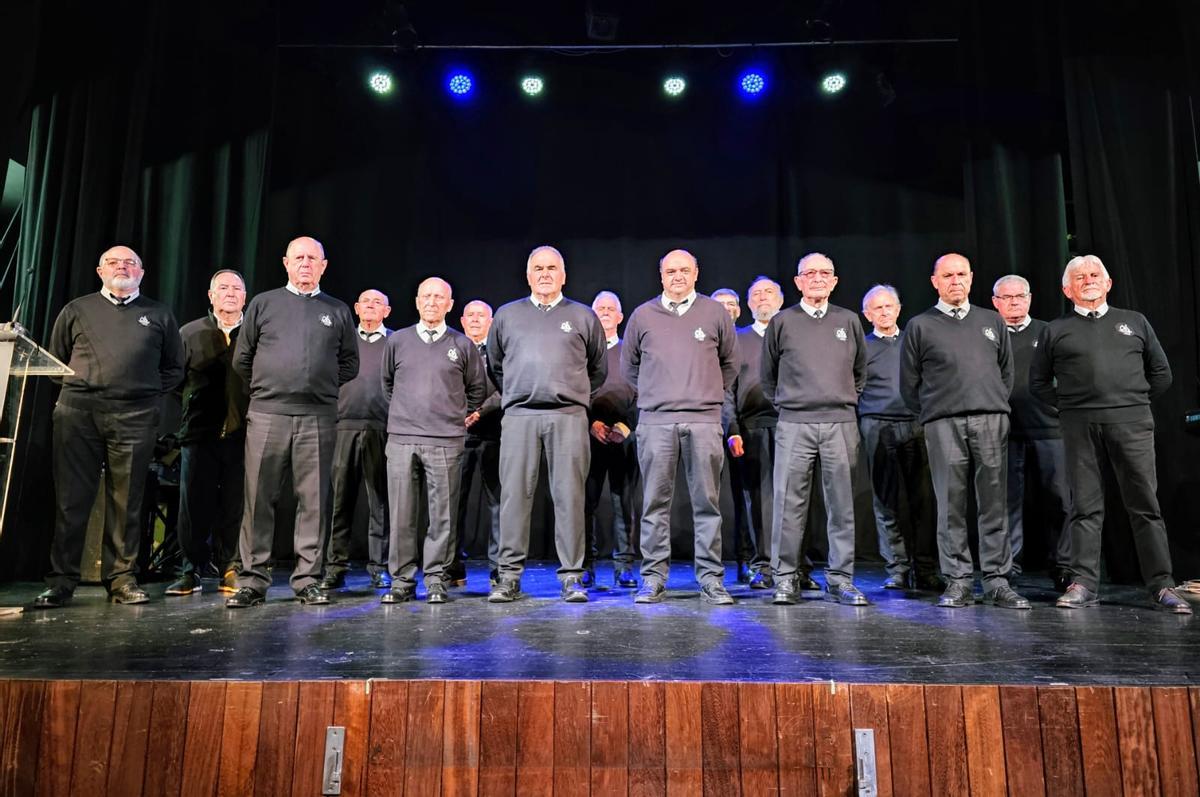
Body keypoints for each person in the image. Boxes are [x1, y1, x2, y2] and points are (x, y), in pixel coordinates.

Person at [1031, 255, 1191, 613]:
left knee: (1145, 506)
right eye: (1079, 276)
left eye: (1094, 275)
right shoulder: (1055, 329)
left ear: (1108, 283)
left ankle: (1162, 584)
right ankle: (1084, 583)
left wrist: (1130, 404)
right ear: (1066, 288)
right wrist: (1073, 407)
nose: (1087, 280)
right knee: (1084, 507)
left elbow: (1162, 374)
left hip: (1132, 423)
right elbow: (1038, 384)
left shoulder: (1134, 322)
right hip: (1079, 426)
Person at [35, 245, 184, 608]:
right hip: (78, 413)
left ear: (142, 272)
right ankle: (61, 581)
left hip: (135, 417)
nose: (123, 267)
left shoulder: (159, 314)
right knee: (72, 499)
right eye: (114, 262)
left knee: (127, 501)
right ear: (100, 271)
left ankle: (121, 579)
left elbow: (174, 368)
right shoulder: (76, 310)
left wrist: (142, 394)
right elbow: (57, 359)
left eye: (131, 262)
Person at [226, 236, 358, 608]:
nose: (304, 263)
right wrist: (273, 387)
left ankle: (307, 580)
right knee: (258, 498)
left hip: (317, 417)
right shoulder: (264, 304)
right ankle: (252, 580)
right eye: (298, 257)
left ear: (323, 266)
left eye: (312, 258)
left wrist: (317, 386)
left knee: (314, 500)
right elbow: (243, 359)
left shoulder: (337, 310)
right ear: (286, 263)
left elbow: (349, 363)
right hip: (268, 414)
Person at [899, 253, 1030, 610]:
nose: (955, 280)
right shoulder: (920, 325)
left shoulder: (992, 320)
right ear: (935, 281)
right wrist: (935, 412)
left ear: (971, 279)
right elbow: (909, 386)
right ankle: (957, 580)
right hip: (943, 423)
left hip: (990, 419)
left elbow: (1006, 373)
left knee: (993, 503)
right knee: (951, 504)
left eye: (961, 274)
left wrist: (990, 403)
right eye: (948, 275)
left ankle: (997, 580)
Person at [486, 246, 607, 603]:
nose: (544, 274)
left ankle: (571, 576)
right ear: (527, 275)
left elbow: (598, 369)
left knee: (570, 498)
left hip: (568, 416)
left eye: (552, 268)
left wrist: (572, 393)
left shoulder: (583, 316)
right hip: (520, 416)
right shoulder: (507, 316)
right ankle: (508, 577)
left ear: (563, 275)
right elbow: (496, 366)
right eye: (537, 268)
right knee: (514, 498)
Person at [622, 249, 737, 605]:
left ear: (696, 273)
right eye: (671, 271)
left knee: (708, 503)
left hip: (703, 420)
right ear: (661, 276)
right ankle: (653, 577)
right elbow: (629, 369)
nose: (677, 276)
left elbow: (730, 365)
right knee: (655, 504)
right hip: (656, 421)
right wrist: (661, 394)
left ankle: (711, 579)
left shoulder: (715, 313)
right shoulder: (642, 315)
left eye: (684, 270)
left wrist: (703, 394)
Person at [762, 254, 869, 606]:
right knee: (788, 504)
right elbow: (768, 378)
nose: (818, 279)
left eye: (825, 274)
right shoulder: (782, 322)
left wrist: (840, 401)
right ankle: (786, 578)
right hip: (795, 422)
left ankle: (840, 579)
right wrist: (792, 404)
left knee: (841, 505)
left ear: (835, 281)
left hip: (840, 422)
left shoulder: (849, 320)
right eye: (810, 274)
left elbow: (860, 374)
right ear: (798, 282)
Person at [380, 278, 486, 604]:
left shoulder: (463, 345)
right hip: (401, 439)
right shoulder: (397, 341)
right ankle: (402, 581)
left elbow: (477, 391)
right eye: (426, 296)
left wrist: (449, 417)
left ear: (449, 305)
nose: (431, 301)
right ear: (416, 302)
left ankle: (437, 579)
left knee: (442, 515)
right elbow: (387, 386)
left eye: (438, 297)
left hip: (446, 441)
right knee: (402, 514)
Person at [166, 269, 249, 597]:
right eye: (223, 288)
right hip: (199, 434)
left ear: (245, 297)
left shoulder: (255, 333)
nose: (230, 293)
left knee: (236, 504)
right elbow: (174, 382)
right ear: (211, 296)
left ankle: (231, 568)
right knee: (193, 506)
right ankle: (191, 570)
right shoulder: (189, 332)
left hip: (243, 435)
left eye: (237, 288)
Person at [857, 285, 940, 592]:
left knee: (923, 501)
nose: (884, 312)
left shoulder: (913, 341)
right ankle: (898, 568)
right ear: (867, 314)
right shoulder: (862, 347)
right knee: (885, 500)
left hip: (916, 424)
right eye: (877, 308)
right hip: (876, 425)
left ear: (899, 308)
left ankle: (926, 568)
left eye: (889, 306)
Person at [991, 275, 1071, 590]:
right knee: (1005, 501)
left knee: (1060, 498)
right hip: (1004, 430)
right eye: (1006, 297)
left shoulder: (1047, 331)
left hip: (1050, 428)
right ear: (995, 302)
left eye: (1019, 296)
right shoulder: (989, 334)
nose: (1014, 302)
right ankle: (1007, 567)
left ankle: (1063, 565)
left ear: (1030, 298)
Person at [319, 289, 393, 591]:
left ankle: (380, 566)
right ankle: (335, 566)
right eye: (366, 301)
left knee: (380, 502)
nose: (372, 306)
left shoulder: (395, 343)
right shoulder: (343, 340)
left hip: (381, 428)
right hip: (343, 427)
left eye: (378, 302)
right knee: (340, 501)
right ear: (356, 307)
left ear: (387, 311)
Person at [584, 291, 639, 588]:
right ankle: (585, 565)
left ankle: (624, 566)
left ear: (620, 317)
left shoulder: (631, 353)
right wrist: (592, 423)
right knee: (585, 504)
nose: (605, 312)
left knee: (623, 503)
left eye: (611, 309)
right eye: (600, 308)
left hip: (624, 439)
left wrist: (625, 427)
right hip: (589, 438)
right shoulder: (582, 353)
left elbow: (643, 391)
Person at [449, 299, 502, 587]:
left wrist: (480, 411)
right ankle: (453, 566)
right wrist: (460, 412)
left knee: (497, 503)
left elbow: (508, 387)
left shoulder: (498, 353)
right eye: (470, 315)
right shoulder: (452, 349)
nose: (475, 320)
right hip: (458, 435)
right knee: (454, 503)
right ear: (462, 320)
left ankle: (498, 567)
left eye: (481, 315)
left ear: (490, 321)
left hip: (493, 434)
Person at [712, 286, 754, 580]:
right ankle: (711, 567)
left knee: (746, 497)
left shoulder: (746, 342)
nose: (727, 308)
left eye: (732, 303)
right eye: (720, 304)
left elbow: (733, 391)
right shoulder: (700, 340)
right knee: (709, 499)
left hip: (736, 427)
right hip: (703, 425)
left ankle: (748, 561)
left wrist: (734, 428)